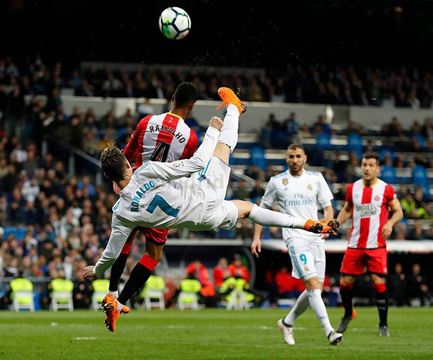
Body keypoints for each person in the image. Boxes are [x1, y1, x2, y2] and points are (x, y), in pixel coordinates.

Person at [83, 87, 338, 332]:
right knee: (224, 147)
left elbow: (110, 254)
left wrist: (95, 270)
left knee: (248, 208)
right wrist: (212, 132)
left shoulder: (121, 213)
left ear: (109, 176)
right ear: (128, 165)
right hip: (204, 193)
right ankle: (234, 111)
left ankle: (116, 296)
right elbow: (195, 163)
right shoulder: (147, 170)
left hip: (202, 220)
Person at [105, 82, 199, 313]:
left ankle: (111, 291)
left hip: (135, 191)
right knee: (152, 254)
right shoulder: (191, 138)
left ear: (173, 97)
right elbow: (186, 173)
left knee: (124, 241)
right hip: (160, 202)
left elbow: (125, 156)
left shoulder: (147, 122)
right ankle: (120, 303)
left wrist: (119, 183)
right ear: (192, 107)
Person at [251, 143, 342, 346]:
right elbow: (261, 211)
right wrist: (257, 237)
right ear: (286, 159)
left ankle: (287, 322)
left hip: (316, 238)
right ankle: (330, 331)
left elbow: (328, 207)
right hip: (295, 238)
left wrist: (327, 226)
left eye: (298, 156)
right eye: (291, 156)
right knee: (311, 284)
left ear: (305, 158)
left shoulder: (316, 179)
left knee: (315, 289)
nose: (294, 160)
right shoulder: (277, 182)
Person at [336, 152, 403, 337]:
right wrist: (334, 224)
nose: (367, 168)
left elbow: (398, 212)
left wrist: (389, 223)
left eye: (371, 165)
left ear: (377, 168)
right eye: (364, 165)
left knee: (377, 282)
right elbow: (347, 210)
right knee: (345, 282)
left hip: (376, 245)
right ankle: (348, 314)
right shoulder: (353, 188)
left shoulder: (386, 189)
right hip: (356, 244)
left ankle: (383, 324)